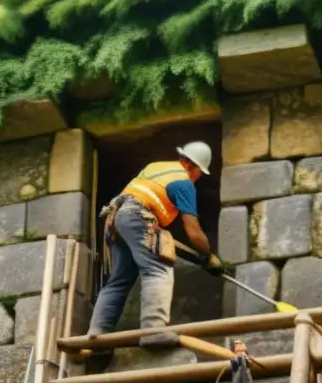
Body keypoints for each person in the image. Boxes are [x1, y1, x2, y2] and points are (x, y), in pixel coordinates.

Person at [86, 141, 225, 351]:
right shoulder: (184, 182)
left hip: (115, 219)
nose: (198, 179)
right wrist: (208, 255)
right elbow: (194, 232)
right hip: (137, 216)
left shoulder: (156, 166)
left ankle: (97, 338)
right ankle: (153, 331)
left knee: (118, 281)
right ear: (194, 167)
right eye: (200, 174)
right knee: (157, 269)